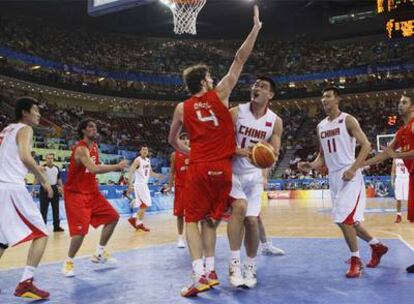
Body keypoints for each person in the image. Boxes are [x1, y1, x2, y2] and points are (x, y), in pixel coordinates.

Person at [168, 5, 262, 297]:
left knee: (193, 222)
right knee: (210, 220)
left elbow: (172, 140)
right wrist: (256, 28)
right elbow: (239, 59)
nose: (213, 78)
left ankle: (199, 275)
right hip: (222, 170)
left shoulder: (182, 108)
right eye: (210, 77)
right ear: (205, 82)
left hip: (198, 168)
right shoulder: (221, 95)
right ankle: (210, 271)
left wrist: (189, 148)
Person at [298, 87, 388, 278]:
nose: (324, 99)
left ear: (337, 99)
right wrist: (310, 165)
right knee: (350, 222)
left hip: (350, 174)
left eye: (328, 96)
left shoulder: (347, 119)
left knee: (343, 219)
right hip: (334, 177)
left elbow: (366, 145)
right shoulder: (320, 126)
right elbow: (322, 157)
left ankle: (356, 261)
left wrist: (354, 168)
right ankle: (376, 246)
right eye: (322, 96)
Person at [227, 76, 283, 288]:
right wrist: (244, 151)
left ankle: (250, 266)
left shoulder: (275, 121)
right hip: (232, 172)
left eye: (263, 86)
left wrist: (267, 157)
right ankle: (234, 263)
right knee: (239, 209)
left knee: (252, 221)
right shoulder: (236, 112)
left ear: (270, 95)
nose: (256, 87)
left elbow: (274, 153)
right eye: (255, 84)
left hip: (254, 176)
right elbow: (221, 144)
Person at [0, 97, 53, 299]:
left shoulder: (7, 129)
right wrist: (44, 180)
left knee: (1, 241)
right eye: (36, 111)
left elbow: (11, 158)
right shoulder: (25, 129)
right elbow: (24, 156)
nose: (39, 114)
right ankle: (26, 283)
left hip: (1, 186)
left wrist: (28, 168)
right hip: (11, 188)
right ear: (25, 112)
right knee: (41, 233)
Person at [62, 119, 128, 277]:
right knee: (80, 232)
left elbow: (90, 173)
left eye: (95, 127)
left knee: (113, 217)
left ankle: (99, 253)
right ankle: (68, 262)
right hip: (76, 194)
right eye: (90, 127)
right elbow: (93, 168)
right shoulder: (80, 149)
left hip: (92, 192)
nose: (94, 129)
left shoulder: (95, 147)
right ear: (83, 130)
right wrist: (116, 166)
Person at [362, 92, 414, 273]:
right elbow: (386, 153)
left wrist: (398, 155)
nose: (400, 105)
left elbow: (394, 154)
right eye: (400, 102)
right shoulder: (401, 132)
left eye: (404, 102)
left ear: (413, 107)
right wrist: (362, 163)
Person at [127, 146, 163, 232]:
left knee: (143, 205)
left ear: (148, 152)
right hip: (140, 185)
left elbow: (150, 173)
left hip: (144, 185)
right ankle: (134, 217)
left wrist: (158, 176)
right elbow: (131, 171)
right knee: (145, 204)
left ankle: (139, 224)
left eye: (146, 150)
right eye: (143, 149)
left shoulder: (148, 160)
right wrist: (130, 184)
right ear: (140, 151)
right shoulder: (137, 160)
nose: (145, 151)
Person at [169, 133, 190, 248]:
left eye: (187, 138)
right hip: (180, 187)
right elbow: (172, 172)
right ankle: (180, 237)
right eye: (183, 139)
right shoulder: (175, 154)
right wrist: (170, 185)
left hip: (193, 189)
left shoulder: (195, 153)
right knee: (180, 214)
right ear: (179, 141)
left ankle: (192, 237)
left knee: (194, 215)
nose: (186, 141)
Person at [37, 153, 65, 232]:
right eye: (48, 158)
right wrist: (46, 187)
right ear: (45, 159)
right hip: (45, 189)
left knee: (56, 209)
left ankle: (56, 227)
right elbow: (40, 179)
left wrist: (61, 189)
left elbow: (59, 179)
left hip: (54, 188)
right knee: (43, 210)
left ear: (53, 159)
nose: (50, 160)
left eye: (51, 158)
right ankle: (42, 227)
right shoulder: (42, 168)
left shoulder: (56, 168)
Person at [391, 158, 409, 223]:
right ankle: (398, 215)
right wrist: (392, 181)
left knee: (411, 198)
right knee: (398, 199)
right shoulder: (395, 159)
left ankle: (411, 214)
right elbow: (393, 171)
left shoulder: (408, 156)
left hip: (407, 178)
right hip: (398, 179)